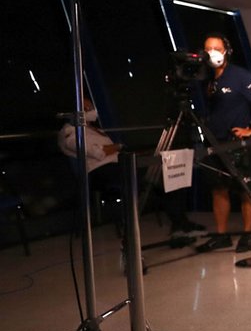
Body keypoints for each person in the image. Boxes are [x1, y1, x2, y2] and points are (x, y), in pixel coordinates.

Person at [57, 94, 202, 234]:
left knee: (167, 172)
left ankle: (180, 222)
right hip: (100, 172)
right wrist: (118, 147)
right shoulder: (70, 133)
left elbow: (108, 151)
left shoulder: (93, 129)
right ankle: (179, 223)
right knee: (160, 176)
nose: (92, 111)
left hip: (118, 164)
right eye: (87, 108)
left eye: (90, 107)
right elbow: (97, 153)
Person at [198, 33, 251, 252]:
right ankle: (222, 235)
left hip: (237, 143)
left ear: (226, 52)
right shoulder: (209, 79)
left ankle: (248, 233)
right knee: (218, 189)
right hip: (215, 142)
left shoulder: (240, 75)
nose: (212, 52)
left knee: (245, 190)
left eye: (216, 48)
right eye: (208, 48)